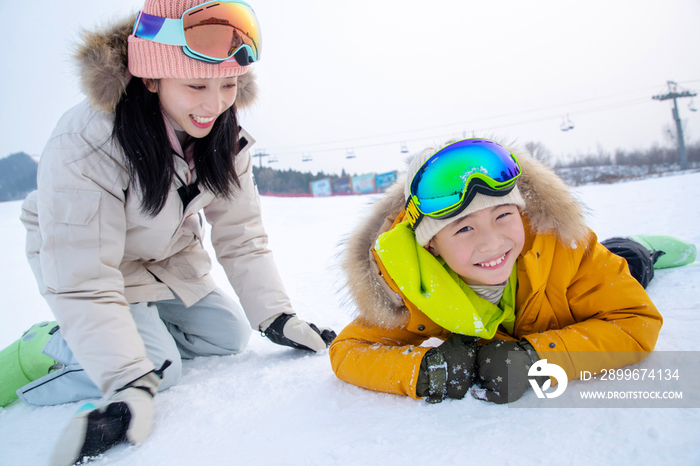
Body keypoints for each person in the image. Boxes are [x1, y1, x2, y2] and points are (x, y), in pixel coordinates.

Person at [0, 1, 335, 464]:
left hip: (163, 256)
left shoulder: (223, 133)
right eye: (196, 84)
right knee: (162, 369)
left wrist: (277, 316)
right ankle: (49, 347)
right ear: (151, 77)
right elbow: (83, 274)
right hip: (87, 259)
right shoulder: (86, 140)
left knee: (226, 335)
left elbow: (242, 234)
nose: (214, 105)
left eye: (229, 86)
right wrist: (126, 379)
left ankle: (130, 333)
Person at [330, 137, 695, 404]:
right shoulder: (414, 285)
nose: (492, 243)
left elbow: (635, 323)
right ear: (431, 247)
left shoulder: (567, 248)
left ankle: (640, 250)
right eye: (464, 228)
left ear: (520, 213)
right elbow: (348, 351)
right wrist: (423, 370)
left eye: (503, 215)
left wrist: (537, 356)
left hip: (596, 271)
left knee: (629, 262)